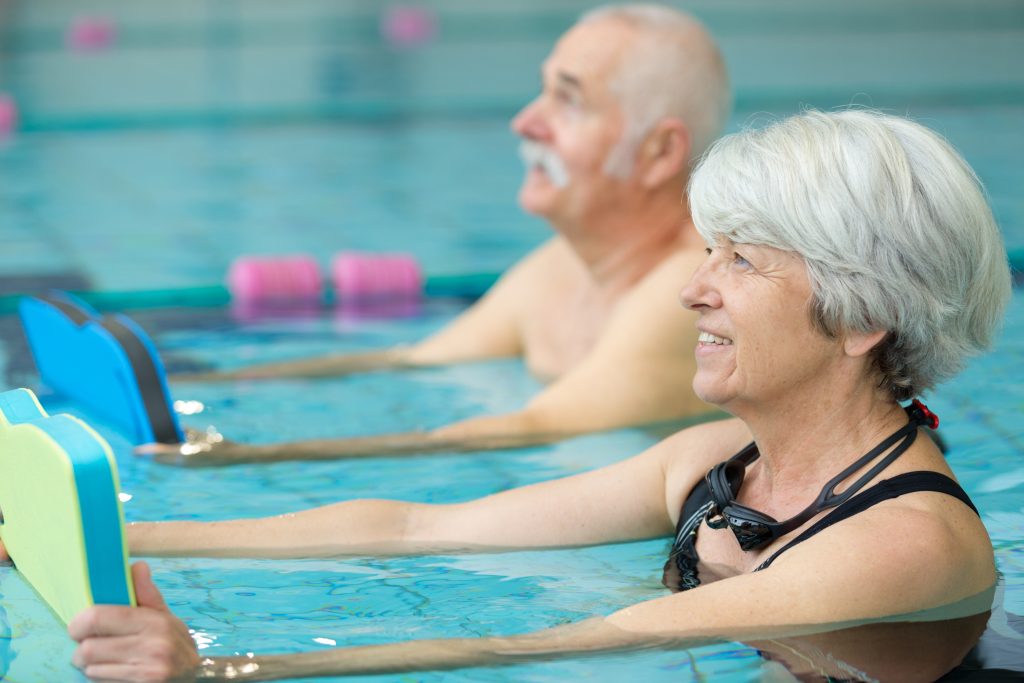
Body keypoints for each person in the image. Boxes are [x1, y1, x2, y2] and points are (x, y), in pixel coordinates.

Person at [56, 110, 1011, 681]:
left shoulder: (905, 543)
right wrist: (111, 532)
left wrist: (224, 669)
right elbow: (420, 528)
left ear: (860, 317)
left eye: (742, 262)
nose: (692, 288)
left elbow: (554, 644)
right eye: (707, 251)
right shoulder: (709, 461)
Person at [145, 4, 731, 464]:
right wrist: (189, 382)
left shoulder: (688, 293)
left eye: (568, 101)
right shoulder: (566, 265)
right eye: (543, 90)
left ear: (659, 153)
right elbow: (413, 360)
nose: (526, 122)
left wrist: (249, 456)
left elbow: (536, 427)